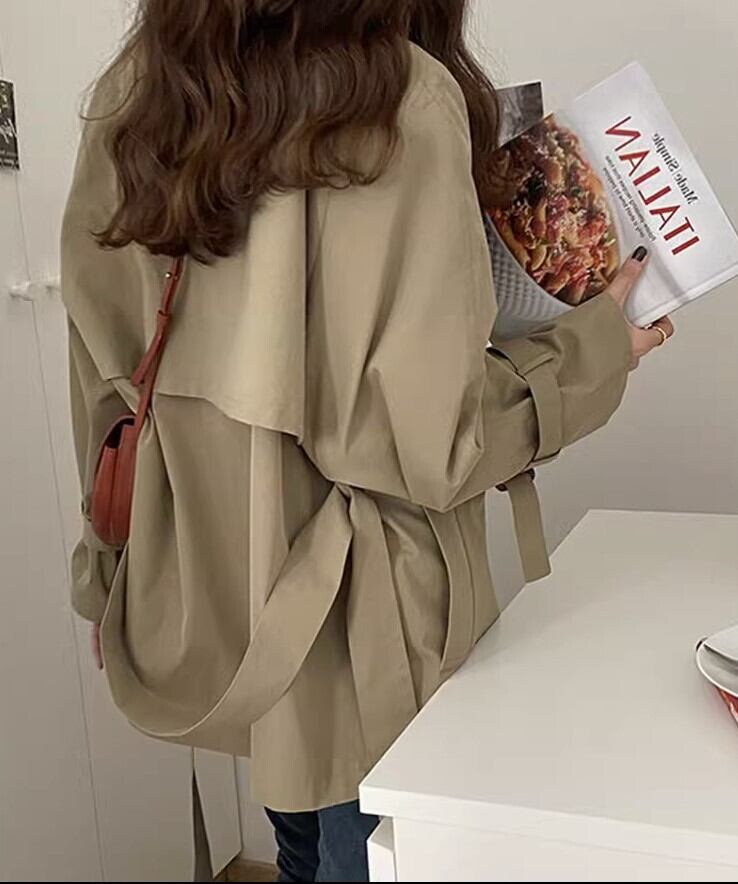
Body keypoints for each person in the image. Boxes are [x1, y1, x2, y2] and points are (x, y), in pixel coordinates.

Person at [61, 1, 673, 881]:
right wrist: (597, 348)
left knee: (301, 845)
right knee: (377, 853)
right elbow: (436, 445)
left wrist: (106, 576)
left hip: (212, 589)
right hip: (366, 621)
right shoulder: (393, 97)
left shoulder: (140, 94)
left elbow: (105, 393)